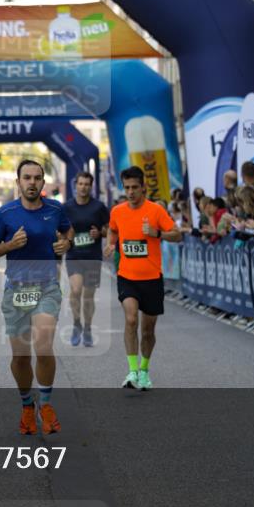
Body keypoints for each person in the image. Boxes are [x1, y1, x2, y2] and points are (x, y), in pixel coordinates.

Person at [0, 160, 72, 434]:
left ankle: (45, 405)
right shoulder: (5, 214)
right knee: (21, 357)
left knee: (43, 346)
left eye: (37, 178)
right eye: (27, 178)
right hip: (16, 289)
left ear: (43, 183)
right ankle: (26, 406)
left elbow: (68, 230)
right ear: (18, 181)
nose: (32, 182)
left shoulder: (56, 209)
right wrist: (10, 245)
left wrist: (66, 242)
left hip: (46, 286)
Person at [104, 166, 182, 391]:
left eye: (134, 187)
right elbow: (112, 230)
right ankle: (132, 371)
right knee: (130, 320)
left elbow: (176, 235)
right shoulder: (117, 211)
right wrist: (111, 244)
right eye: (127, 187)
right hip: (127, 276)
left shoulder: (156, 211)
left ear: (143, 188)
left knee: (148, 330)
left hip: (151, 278)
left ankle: (144, 371)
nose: (130, 192)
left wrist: (157, 234)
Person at [62, 171, 109, 347]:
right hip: (74, 256)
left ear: (91, 186)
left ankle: (88, 327)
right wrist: (65, 237)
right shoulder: (66, 207)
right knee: (75, 290)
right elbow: (59, 230)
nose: (83, 187)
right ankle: (76, 324)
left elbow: (109, 229)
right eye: (80, 184)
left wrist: (100, 233)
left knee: (88, 296)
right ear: (76, 185)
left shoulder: (98, 207)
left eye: (87, 184)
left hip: (92, 257)